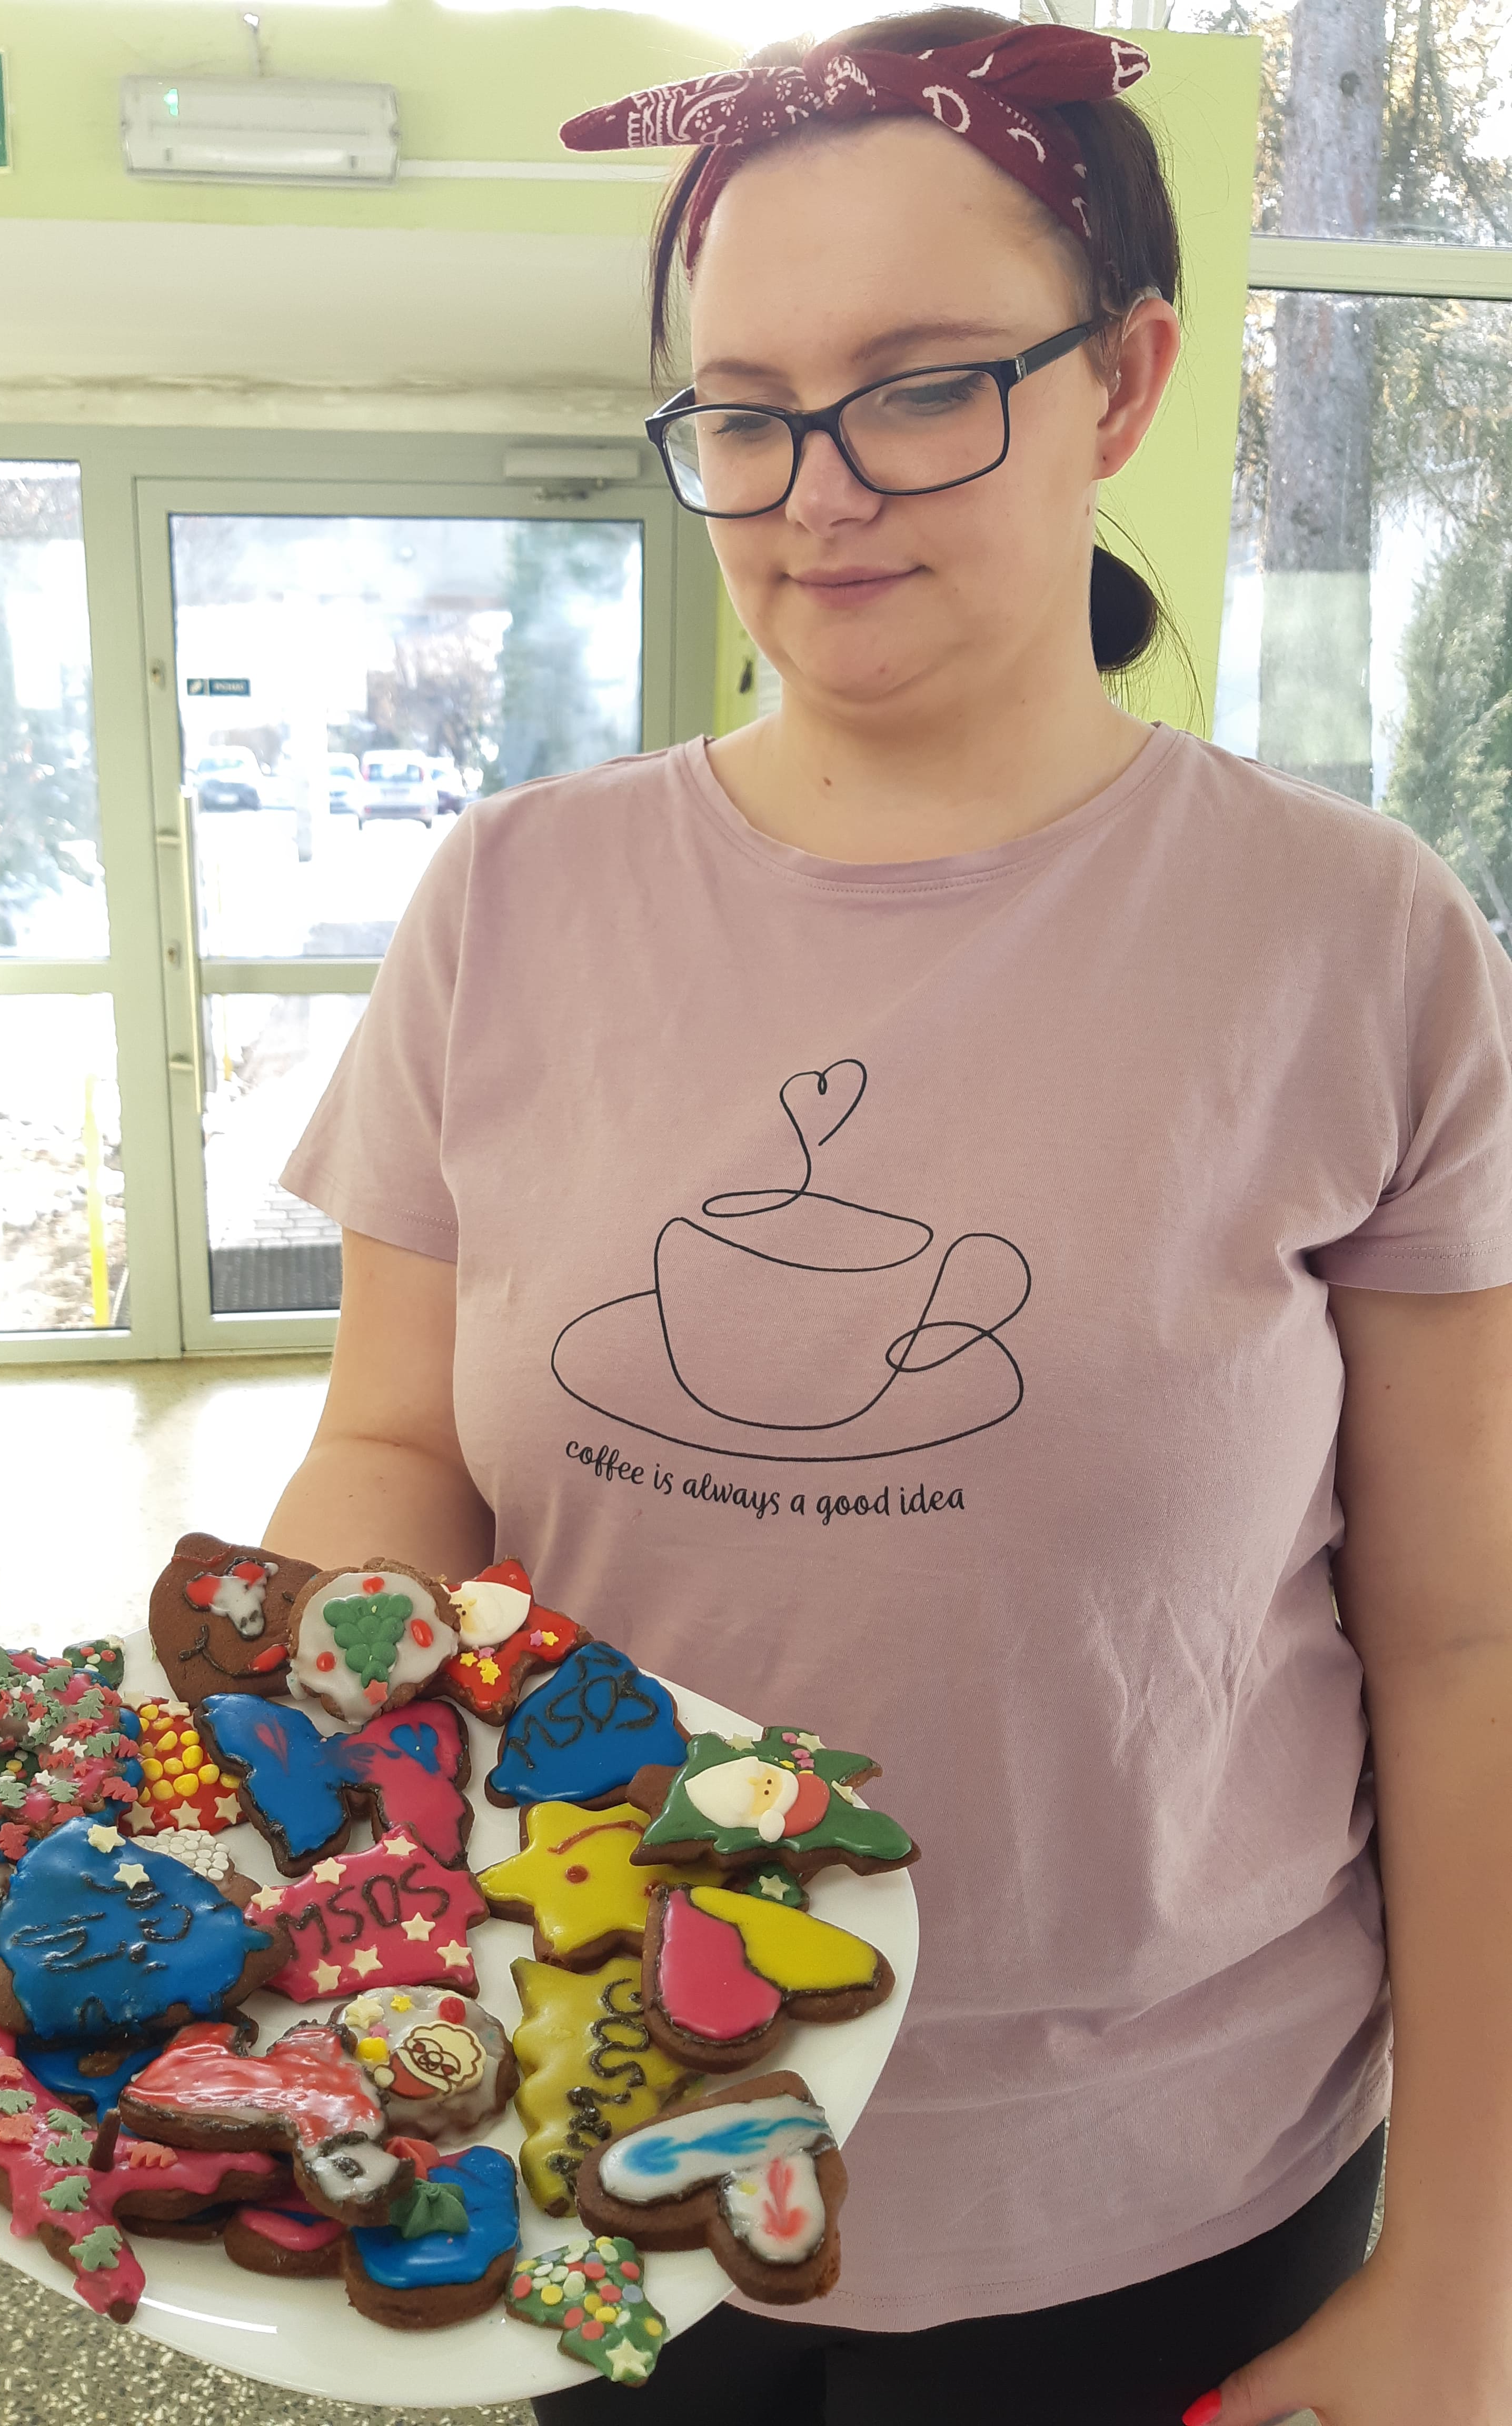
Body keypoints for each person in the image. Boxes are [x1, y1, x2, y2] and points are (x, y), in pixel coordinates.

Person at [265, 13, 1512, 2421]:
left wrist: (1475, 2271)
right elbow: (401, 1445)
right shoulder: (509, 902)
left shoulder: (1359, 944)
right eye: (745, 410)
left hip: (1170, 2192)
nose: (816, 491)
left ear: (1125, 381)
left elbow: (1468, 1642)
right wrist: (280, 1705)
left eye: (924, 387)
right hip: (587, 2111)